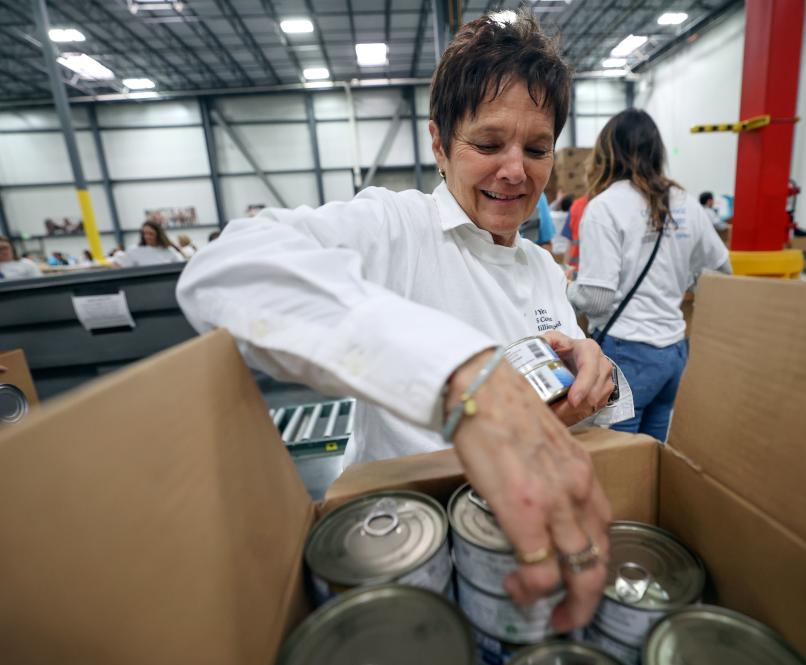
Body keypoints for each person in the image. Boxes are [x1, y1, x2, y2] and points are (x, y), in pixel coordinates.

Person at [178, 10, 625, 631]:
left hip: (508, 537)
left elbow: (561, 398)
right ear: (440, 144)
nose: (516, 171)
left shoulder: (543, 269)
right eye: (488, 144)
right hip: (399, 542)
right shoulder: (396, 227)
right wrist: (461, 376)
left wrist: (586, 382)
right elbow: (225, 269)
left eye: (537, 148)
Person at [568, 109, 730, 443]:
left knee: (619, 457)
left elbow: (598, 299)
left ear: (607, 151)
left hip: (629, 354)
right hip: (674, 351)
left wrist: (564, 286)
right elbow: (721, 269)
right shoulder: (685, 202)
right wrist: (681, 282)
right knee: (652, 454)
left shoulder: (605, 206)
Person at [114, 221, 184, 268]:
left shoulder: (169, 250)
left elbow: (181, 266)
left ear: (158, 234)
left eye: (151, 234)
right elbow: (119, 265)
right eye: (144, 234)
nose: (147, 237)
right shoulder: (134, 250)